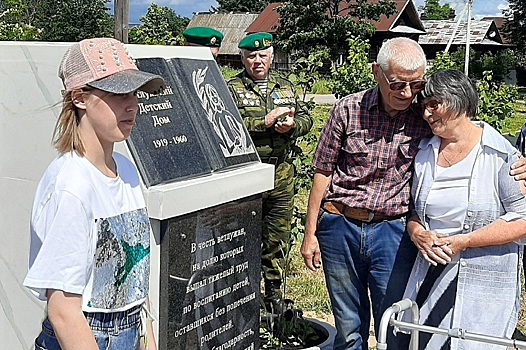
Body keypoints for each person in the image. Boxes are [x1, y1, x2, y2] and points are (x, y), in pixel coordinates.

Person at [23, 38, 165, 350]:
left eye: (134, 94)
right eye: (117, 94)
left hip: (130, 330)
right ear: (79, 98)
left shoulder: (126, 170)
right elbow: (63, 311)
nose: (131, 105)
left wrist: (148, 340)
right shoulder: (71, 185)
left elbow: (135, 284)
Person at [301, 37, 429, 350]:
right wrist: (311, 232)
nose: (407, 94)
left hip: (393, 232)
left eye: (416, 85)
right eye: (398, 84)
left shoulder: (423, 116)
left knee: (394, 321)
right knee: (348, 323)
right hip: (340, 226)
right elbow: (323, 171)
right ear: (376, 72)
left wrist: (513, 159)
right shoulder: (348, 109)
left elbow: (465, 129)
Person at [401, 69, 526, 349]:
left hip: (483, 281)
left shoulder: (501, 155)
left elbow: (524, 219)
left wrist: (464, 241)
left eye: (434, 104)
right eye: (423, 107)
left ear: (458, 100)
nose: (427, 114)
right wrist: (416, 231)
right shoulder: (424, 152)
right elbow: (416, 211)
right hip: (432, 272)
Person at [227, 32, 313, 314]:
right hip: (247, 174)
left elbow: (307, 119)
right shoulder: (232, 88)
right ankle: (242, 292)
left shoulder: (286, 86)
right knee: (242, 236)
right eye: (251, 56)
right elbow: (227, 123)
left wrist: (292, 126)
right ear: (242, 58)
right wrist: (261, 123)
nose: (257, 60)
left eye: (263, 55)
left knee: (278, 237)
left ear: (272, 57)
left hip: (281, 174)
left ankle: (274, 294)